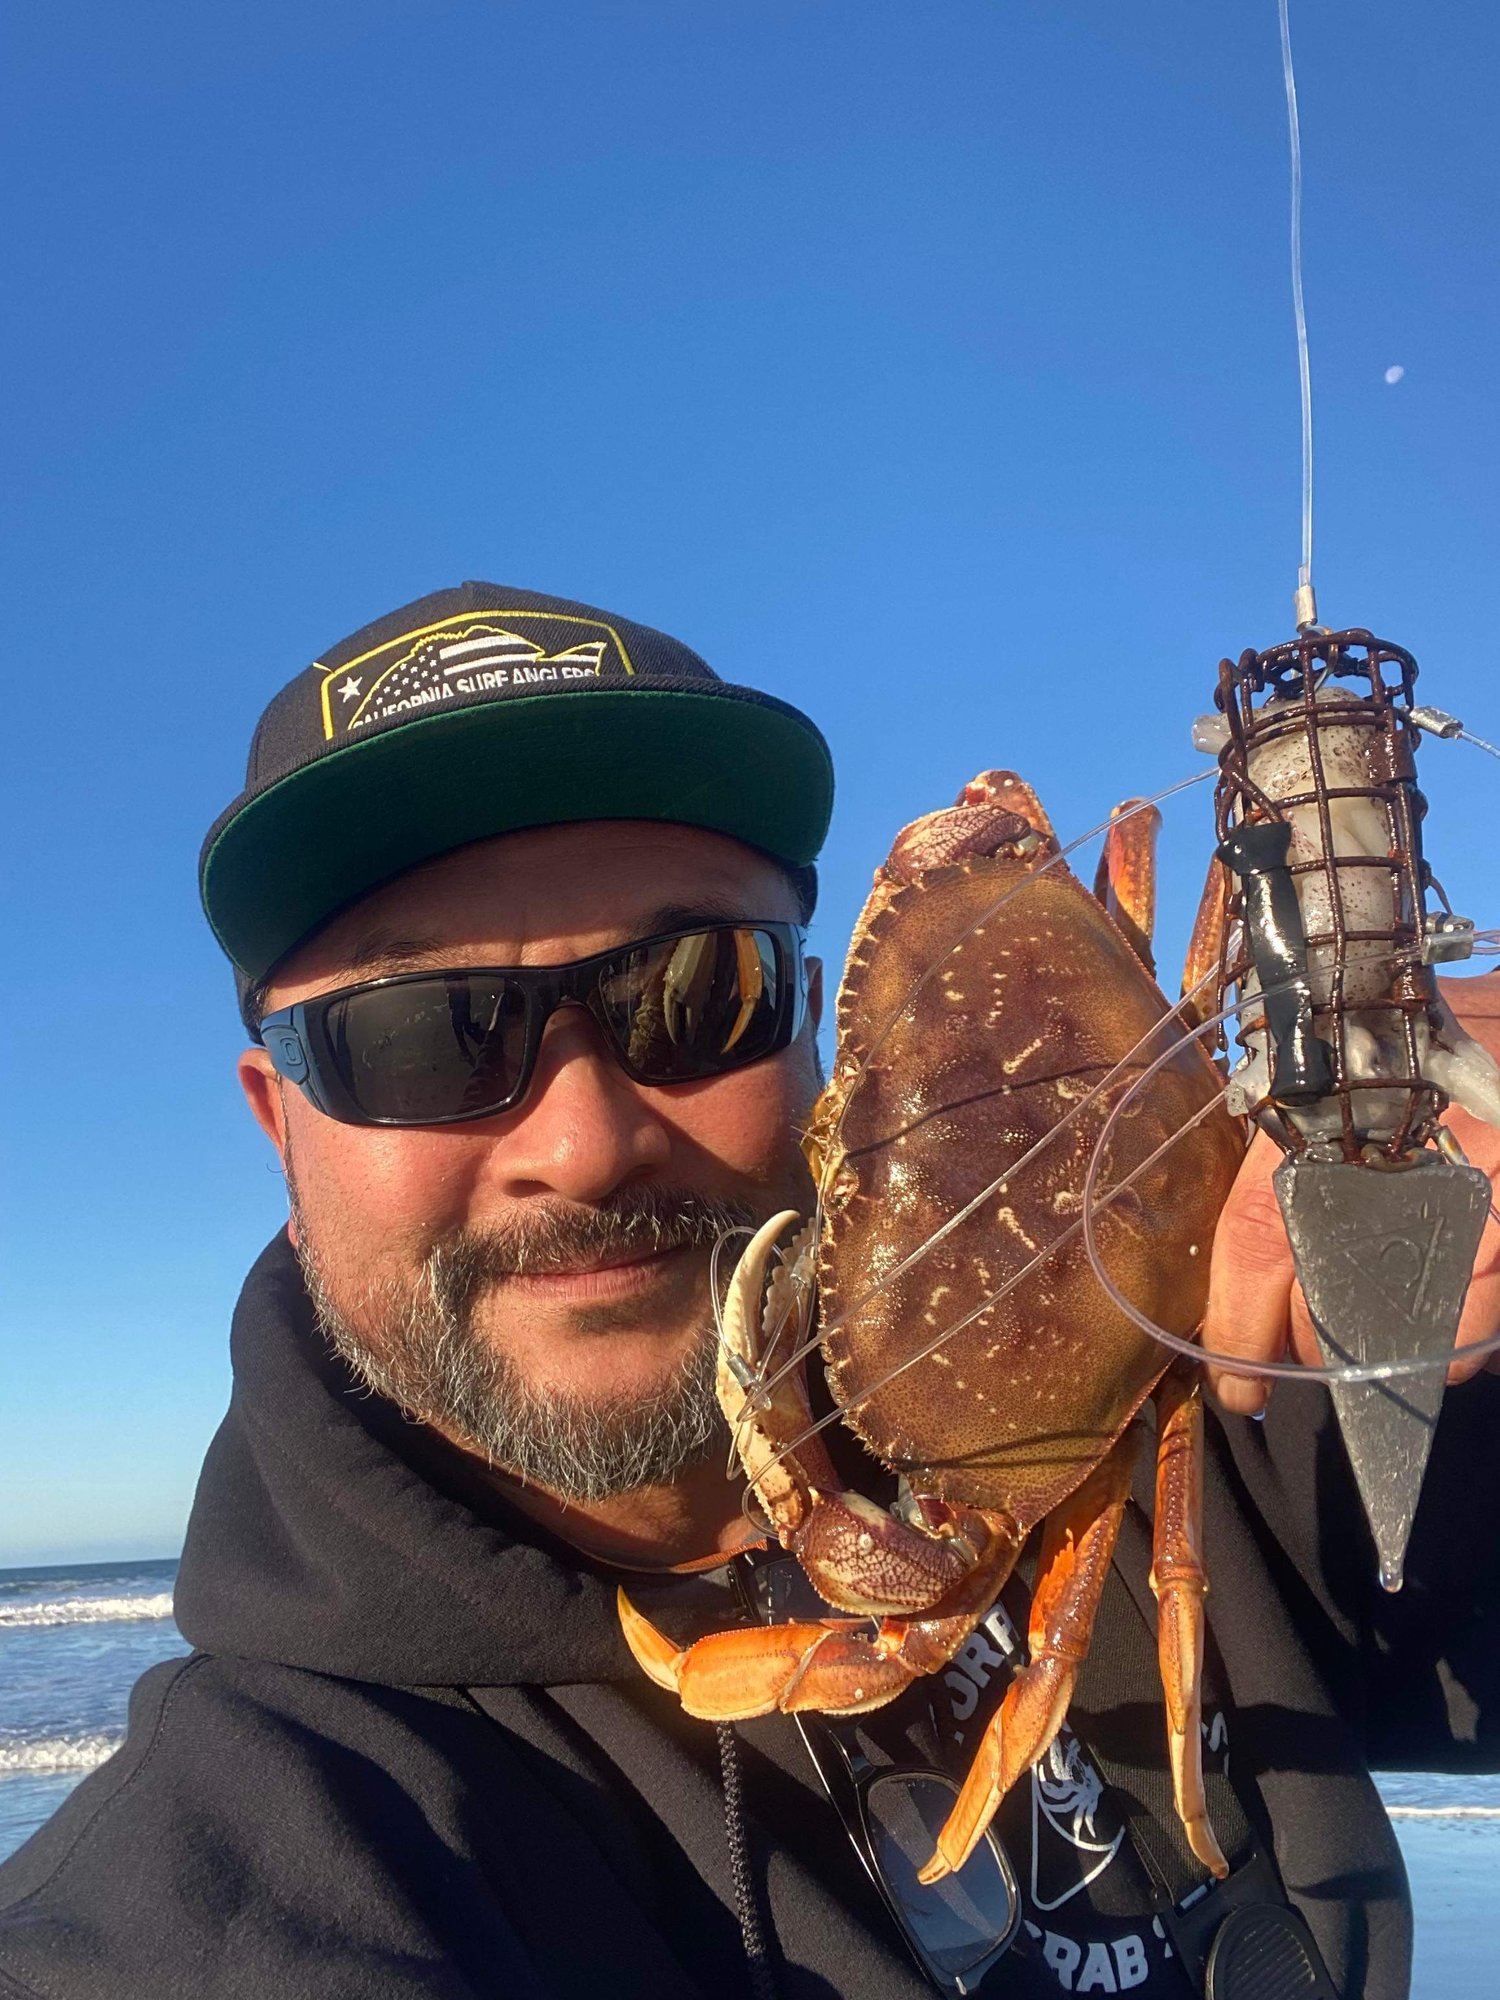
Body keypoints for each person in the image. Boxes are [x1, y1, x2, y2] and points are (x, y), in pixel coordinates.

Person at [1, 580, 1495, 2000]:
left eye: (694, 993)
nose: (585, 1142)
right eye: (423, 1036)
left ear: (821, 1049)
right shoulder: (266, 1873)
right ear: (279, 1125)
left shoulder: (1233, 1397)